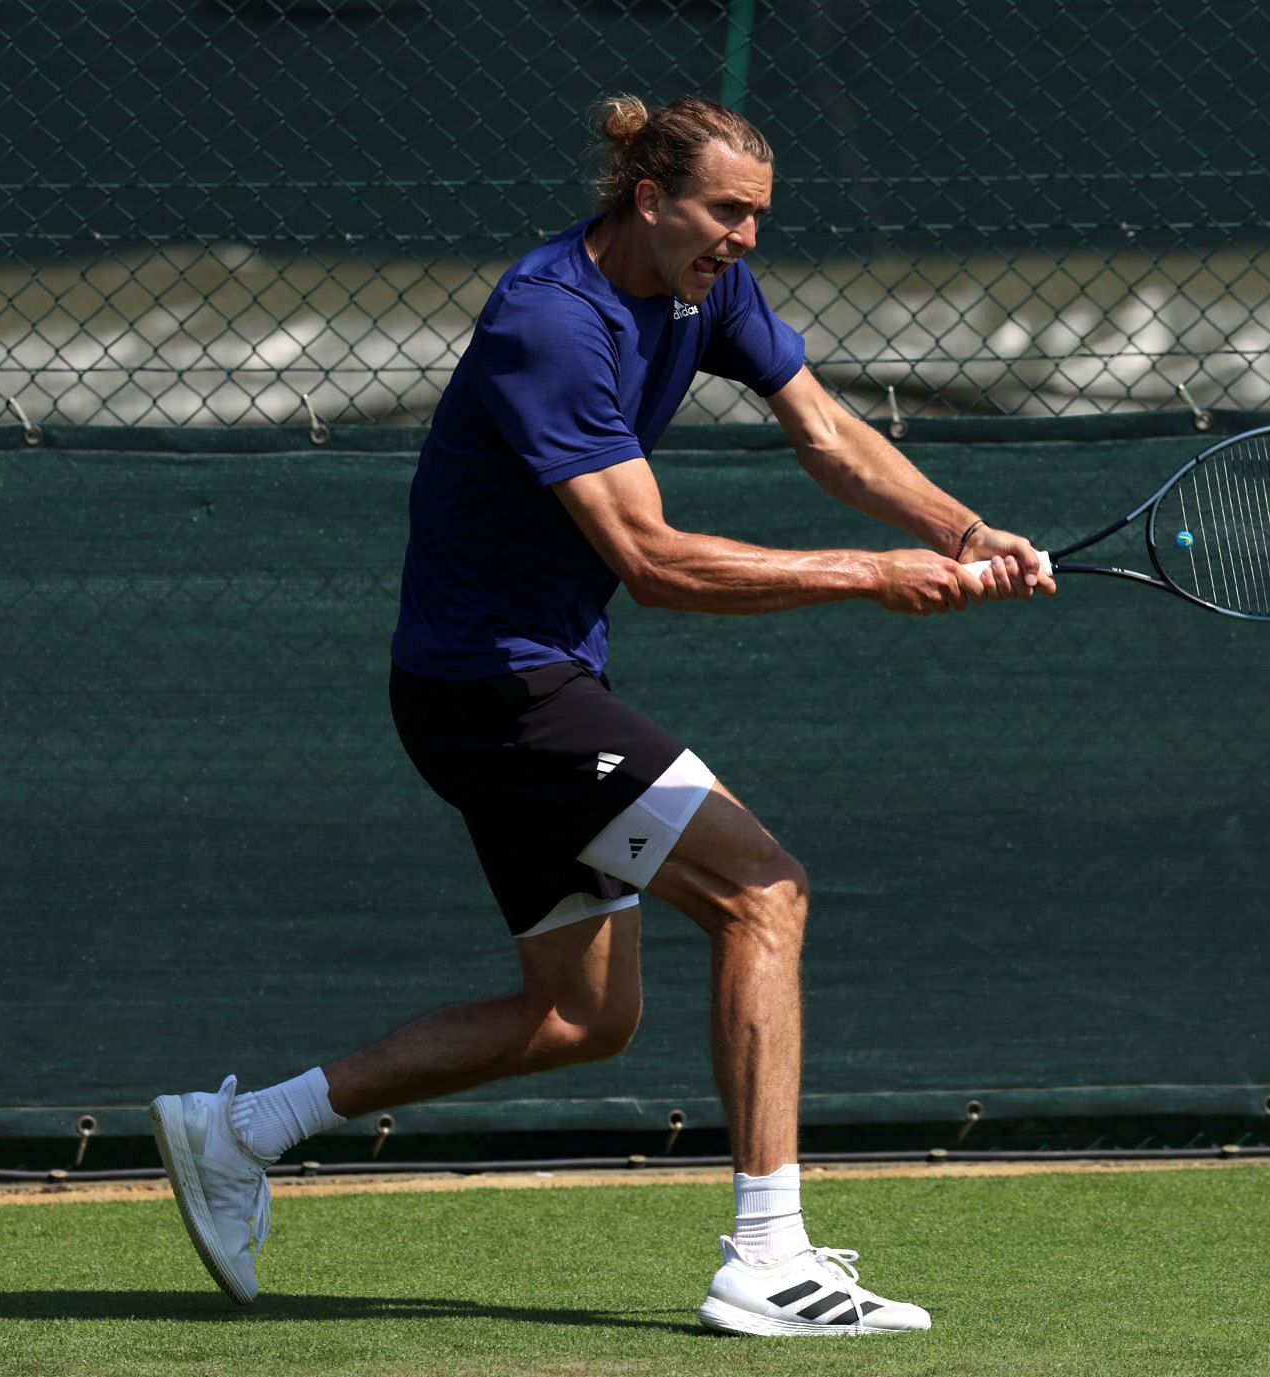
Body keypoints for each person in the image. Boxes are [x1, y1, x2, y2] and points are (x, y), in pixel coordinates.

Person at [150, 92, 1054, 1337]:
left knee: (580, 1016)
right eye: (725, 212)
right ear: (648, 198)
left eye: (757, 218)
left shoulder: (704, 288)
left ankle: (241, 1131)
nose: (744, 237)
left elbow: (828, 428)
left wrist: (959, 531)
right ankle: (769, 1258)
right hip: (502, 694)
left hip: (515, 686)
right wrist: (869, 572)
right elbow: (656, 560)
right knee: (763, 892)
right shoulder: (549, 324)